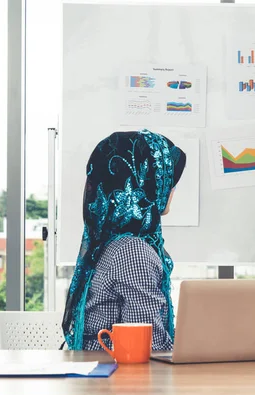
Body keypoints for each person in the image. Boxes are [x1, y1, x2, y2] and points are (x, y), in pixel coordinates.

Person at [61, 129, 187, 351]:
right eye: (168, 180)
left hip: (102, 375)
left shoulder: (111, 242)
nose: (173, 189)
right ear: (147, 184)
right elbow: (151, 346)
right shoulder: (133, 251)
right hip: (117, 380)